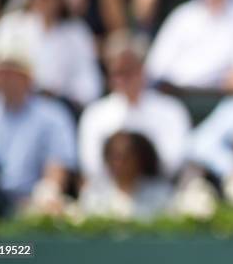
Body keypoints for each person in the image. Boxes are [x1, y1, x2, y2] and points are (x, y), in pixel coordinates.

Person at [0, 38, 77, 214]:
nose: (4, 78)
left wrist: (47, 193)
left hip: (31, 204)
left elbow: (56, 170)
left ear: (28, 78)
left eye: (11, 72)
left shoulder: (53, 116)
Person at [78, 29, 191, 182]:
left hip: (158, 191)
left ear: (142, 70)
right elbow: (91, 165)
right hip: (108, 193)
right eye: (118, 73)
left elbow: (173, 161)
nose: (124, 80)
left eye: (129, 71)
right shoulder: (94, 114)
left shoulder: (171, 110)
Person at [78, 131, 173, 220]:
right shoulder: (94, 193)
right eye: (114, 157)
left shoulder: (160, 192)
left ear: (140, 159)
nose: (119, 164)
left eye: (126, 157)